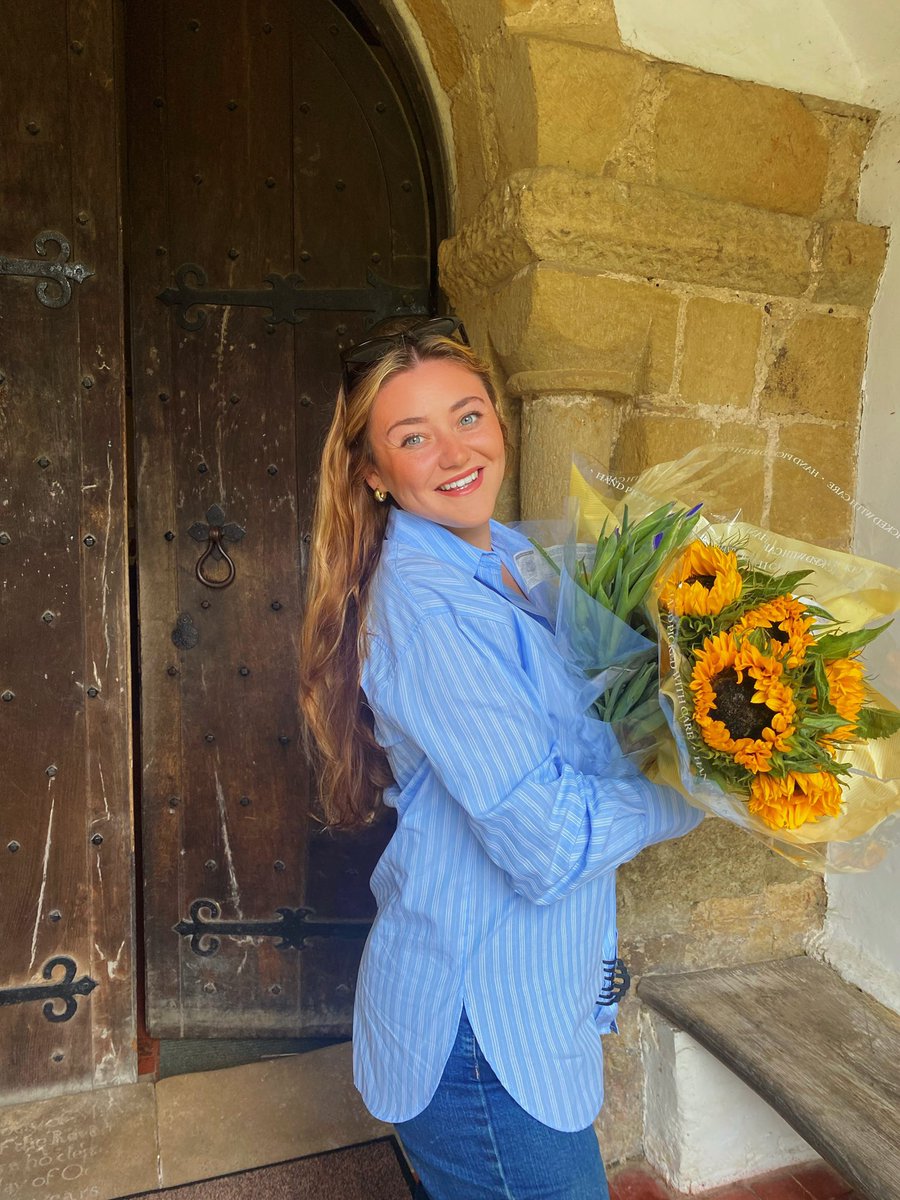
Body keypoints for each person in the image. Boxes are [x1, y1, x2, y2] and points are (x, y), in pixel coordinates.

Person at [299, 316, 703, 1200]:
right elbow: (548, 843)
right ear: (372, 473)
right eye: (413, 437)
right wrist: (705, 782)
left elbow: (605, 704)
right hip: (480, 1037)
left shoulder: (517, 557)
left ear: (500, 423)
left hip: (529, 1002)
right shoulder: (426, 605)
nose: (454, 452)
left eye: (468, 416)